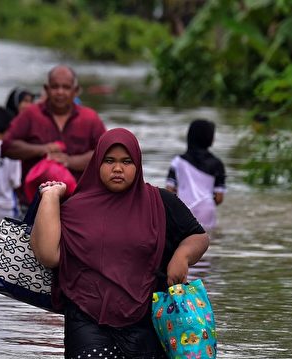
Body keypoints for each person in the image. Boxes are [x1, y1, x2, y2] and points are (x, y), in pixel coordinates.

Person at [31, 128, 210, 358]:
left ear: (138, 164)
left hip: (147, 322)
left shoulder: (160, 202)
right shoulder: (74, 208)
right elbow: (47, 254)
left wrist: (182, 256)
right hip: (86, 320)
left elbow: (199, 237)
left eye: (126, 161)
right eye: (109, 161)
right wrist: (51, 196)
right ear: (97, 163)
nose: (118, 168)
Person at [1, 65, 106, 204]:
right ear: (46, 89)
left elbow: (105, 154)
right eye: (55, 87)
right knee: (5, 226)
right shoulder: (30, 114)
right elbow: (6, 147)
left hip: (77, 204)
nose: (60, 92)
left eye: (66, 87)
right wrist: (42, 149)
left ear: (75, 91)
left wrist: (69, 161)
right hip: (31, 204)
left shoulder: (90, 118)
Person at [166, 119, 226, 231]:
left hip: (182, 209)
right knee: (207, 241)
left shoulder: (177, 161)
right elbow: (219, 198)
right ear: (210, 139)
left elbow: (169, 191)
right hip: (206, 210)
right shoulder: (217, 164)